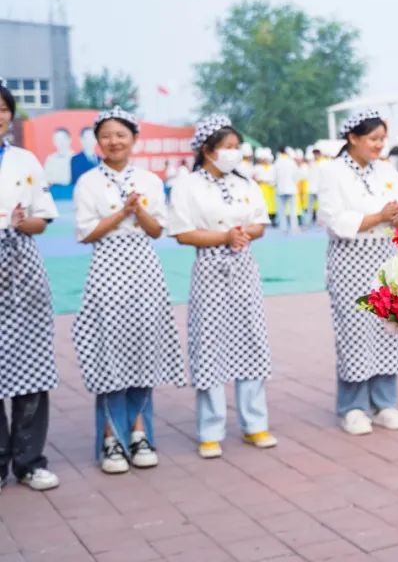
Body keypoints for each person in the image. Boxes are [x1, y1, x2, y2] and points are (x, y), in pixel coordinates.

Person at [72, 107, 185, 474]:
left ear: (134, 139)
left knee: (143, 347)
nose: (113, 141)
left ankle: (139, 433)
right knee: (109, 350)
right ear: (97, 141)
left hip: (144, 270)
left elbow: (156, 231)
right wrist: (121, 214)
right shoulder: (88, 182)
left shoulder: (150, 180)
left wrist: (139, 211)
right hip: (107, 269)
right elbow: (86, 233)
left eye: (121, 134)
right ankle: (110, 439)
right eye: (106, 135)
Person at [168, 114, 277, 459]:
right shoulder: (188, 184)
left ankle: (254, 423)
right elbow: (183, 233)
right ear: (207, 149)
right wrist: (224, 236)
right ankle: (210, 429)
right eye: (226, 148)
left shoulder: (246, 181)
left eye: (236, 147)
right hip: (210, 268)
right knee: (210, 345)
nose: (233, 154)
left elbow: (260, 222)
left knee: (250, 339)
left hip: (244, 266)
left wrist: (244, 234)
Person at [318, 109, 398, 435]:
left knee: (389, 327)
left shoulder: (386, 169)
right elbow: (334, 219)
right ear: (352, 138)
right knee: (355, 331)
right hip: (350, 259)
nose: (378, 145)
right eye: (373, 139)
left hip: (385, 258)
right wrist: (378, 216)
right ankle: (353, 407)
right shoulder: (332, 172)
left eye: (383, 139)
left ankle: (384, 402)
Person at [0, 82, 61, 492]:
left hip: (22, 268)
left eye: (2, 108)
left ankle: (29, 461)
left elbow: (43, 218)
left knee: (31, 364)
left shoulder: (25, 161)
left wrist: (24, 222)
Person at [272, 146, 300, 233]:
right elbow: (296, 175)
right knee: (293, 210)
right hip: (291, 188)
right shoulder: (291, 162)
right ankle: (294, 228)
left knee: (281, 211)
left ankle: (283, 228)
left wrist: (275, 184)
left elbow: (274, 177)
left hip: (281, 189)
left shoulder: (277, 163)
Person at [253, 148, 277, 224]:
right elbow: (254, 177)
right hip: (262, 188)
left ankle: (272, 218)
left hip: (271, 188)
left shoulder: (272, 167)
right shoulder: (257, 167)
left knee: (272, 204)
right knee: (263, 203)